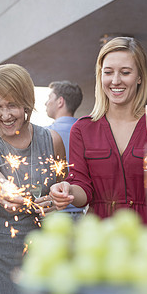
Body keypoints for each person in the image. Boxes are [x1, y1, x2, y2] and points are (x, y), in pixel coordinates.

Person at [50, 37, 147, 224]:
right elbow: (82, 190)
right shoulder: (82, 129)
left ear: (139, 77)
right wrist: (68, 190)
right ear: (101, 76)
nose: (115, 81)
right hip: (101, 238)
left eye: (125, 72)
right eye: (108, 72)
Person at [0, 64, 66, 294]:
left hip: (40, 255)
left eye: (12, 105)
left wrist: (55, 202)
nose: (5, 115)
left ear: (26, 102)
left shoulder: (52, 140)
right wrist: (4, 186)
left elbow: (62, 189)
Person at [45, 80, 85, 220]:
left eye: (50, 97)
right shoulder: (87, 132)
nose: (46, 103)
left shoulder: (46, 134)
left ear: (60, 101)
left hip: (54, 214)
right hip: (82, 212)